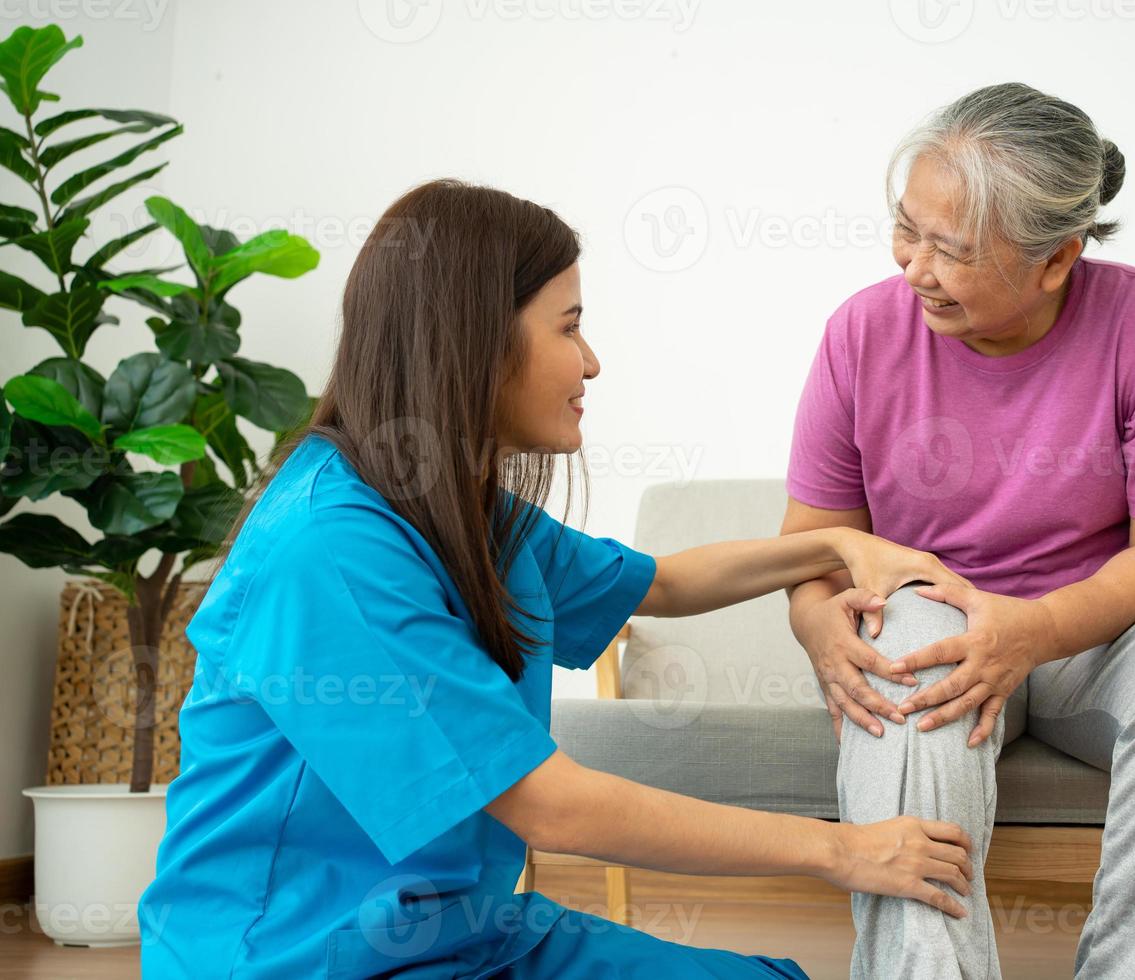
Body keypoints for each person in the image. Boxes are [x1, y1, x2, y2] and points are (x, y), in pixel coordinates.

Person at [139, 179, 980, 978]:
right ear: (473, 339)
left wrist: (837, 547)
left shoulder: (453, 507)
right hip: (298, 958)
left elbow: (665, 585)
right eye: (569, 327)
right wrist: (842, 849)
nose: (592, 362)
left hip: (462, 937)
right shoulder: (330, 550)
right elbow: (553, 808)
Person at [783, 82, 1135, 979]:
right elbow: (815, 544)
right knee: (908, 639)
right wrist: (813, 626)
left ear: (1057, 258)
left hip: (1094, 642)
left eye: (950, 250)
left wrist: (1036, 629)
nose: (913, 267)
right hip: (935, 631)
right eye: (906, 228)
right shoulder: (862, 333)